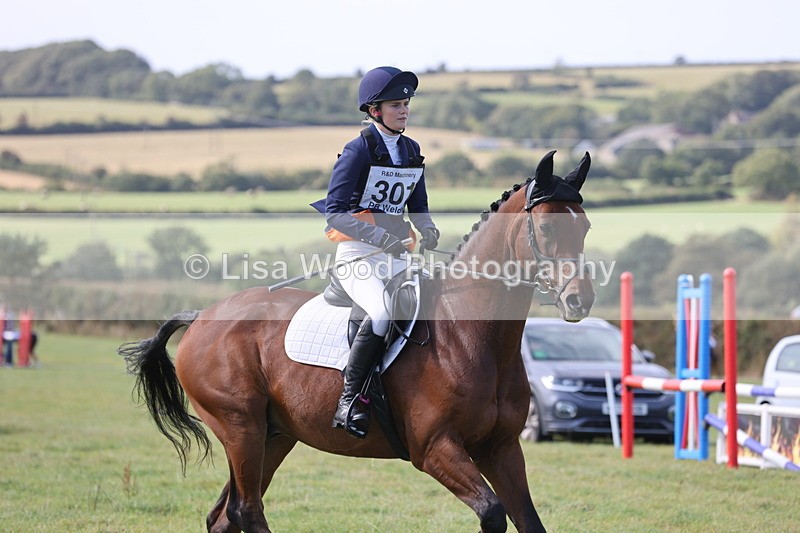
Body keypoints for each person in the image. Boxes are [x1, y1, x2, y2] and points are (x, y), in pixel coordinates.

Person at [311, 66, 439, 438]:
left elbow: (418, 203)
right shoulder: (358, 150)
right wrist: (377, 237)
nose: (404, 110)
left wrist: (427, 227)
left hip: (397, 254)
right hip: (357, 255)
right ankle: (350, 399)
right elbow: (335, 212)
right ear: (374, 110)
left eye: (406, 104)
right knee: (382, 311)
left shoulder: (411, 150)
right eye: (396, 104)